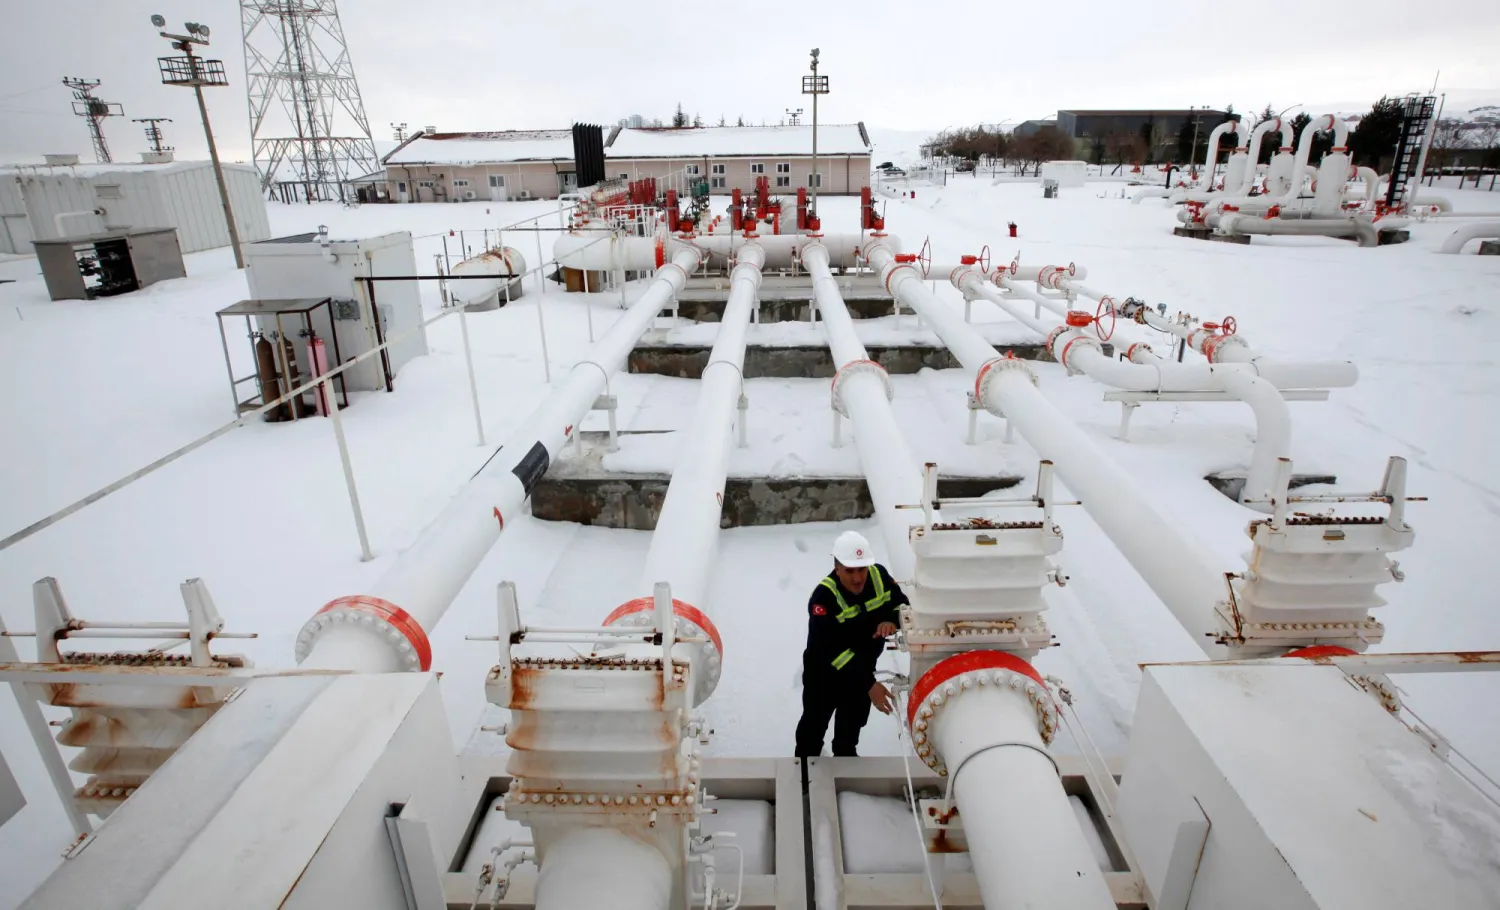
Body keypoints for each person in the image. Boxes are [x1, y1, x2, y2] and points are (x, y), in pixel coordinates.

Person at [794, 531, 910, 757]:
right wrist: (869, 684)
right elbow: (830, 651)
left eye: (862, 569)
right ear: (837, 569)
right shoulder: (823, 599)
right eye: (849, 571)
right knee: (813, 730)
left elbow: (901, 605)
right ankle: (804, 778)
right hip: (824, 675)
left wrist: (891, 620)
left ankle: (846, 777)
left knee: (850, 731)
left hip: (862, 670)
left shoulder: (879, 576)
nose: (858, 578)